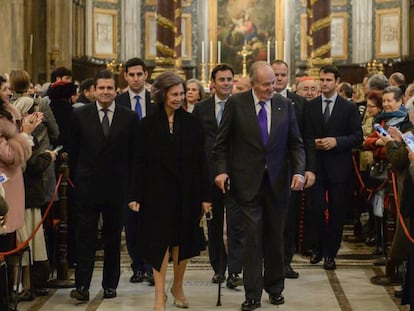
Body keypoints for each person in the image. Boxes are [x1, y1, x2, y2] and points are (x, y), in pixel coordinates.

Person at [214, 61, 305, 310]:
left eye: (273, 82)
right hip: (246, 183)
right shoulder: (236, 103)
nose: (271, 88)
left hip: (277, 184)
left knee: (275, 238)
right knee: (252, 239)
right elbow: (221, 143)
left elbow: (296, 143)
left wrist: (299, 171)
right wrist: (221, 171)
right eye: (266, 84)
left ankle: (275, 288)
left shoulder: (285, 105)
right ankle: (252, 294)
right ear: (253, 83)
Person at [128, 71, 211, 311]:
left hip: (187, 192)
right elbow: (139, 162)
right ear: (162, 94)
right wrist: (135, 194)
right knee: (159, 242)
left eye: (182, 94)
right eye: (174, 94)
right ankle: (158, 296)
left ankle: (177, 286)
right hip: (156, 193)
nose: (179, 98)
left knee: (182, 242)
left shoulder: (193, 123)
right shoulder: (147, 125)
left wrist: (205, 197)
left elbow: (201, 162)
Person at [68, 70, 140, 302]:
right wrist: (78, 179)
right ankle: (82, 285)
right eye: (102, 88)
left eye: (110, 88)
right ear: (94, 91)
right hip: (88, 186)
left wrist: (131, 187)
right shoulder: (80, 115)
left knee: (111, 238)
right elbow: (74, 151)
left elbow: (133, 155)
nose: (106, 92)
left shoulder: (128, 117)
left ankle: (110, 284)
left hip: (116, 187)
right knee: (85, 238)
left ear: (116, 90)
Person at [305, 65, 363, 270]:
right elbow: (304, 136)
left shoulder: (348, 107)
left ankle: (331, 253)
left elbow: (358, 136)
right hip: (316, 167)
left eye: (328, 80)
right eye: (322, 79)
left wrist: (336, 141)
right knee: (317, 210)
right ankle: (318, 248)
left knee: (337, 212)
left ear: (337, 82)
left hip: (339, 167)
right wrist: (314, 143)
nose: (324, 83)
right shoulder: (310, 106)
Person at [193, 64, 244, 289]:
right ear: (212, 83)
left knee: (235, 225)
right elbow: (196, 143)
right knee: (213, 225)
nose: (225, 83)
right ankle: (218, 268)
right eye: (221, 79)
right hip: (209, 174)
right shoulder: (201, 108)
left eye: (229, 79)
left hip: (235, 174)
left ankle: (235, 270)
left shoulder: (242, 106)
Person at [271, 59, 316, 279]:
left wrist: (308, 168)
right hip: (266, 170)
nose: (278, 79)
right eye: (275, 74)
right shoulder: (258, 100)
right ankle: (266, 260)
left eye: (282, 75)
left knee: (288, 218)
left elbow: (307, 139)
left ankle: (285, 262)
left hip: (291, 170)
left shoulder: (299, 102)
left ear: (287, 76)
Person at [115, 57, 157, 285]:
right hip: (127, 169)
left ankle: (151, 266)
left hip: (152, 168)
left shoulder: (155, 100)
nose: (136, 78)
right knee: (131, 221)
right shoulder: (119, 101)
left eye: (139, 74)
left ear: (146, 75)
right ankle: (137, 265)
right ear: (125, 76)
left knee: (151, 219)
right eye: (131, 75)